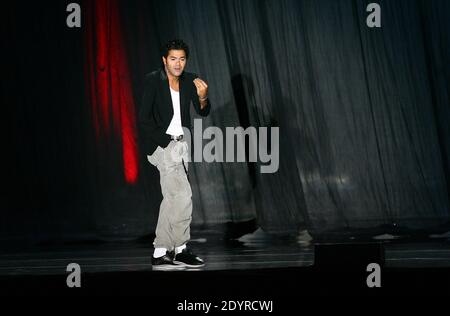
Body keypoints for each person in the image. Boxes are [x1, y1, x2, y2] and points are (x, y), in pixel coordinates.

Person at [138, 39, 211, 269]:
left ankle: (161, 251)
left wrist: (202, 96)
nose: (178, 64)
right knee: (182, 195)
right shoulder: (154, 80)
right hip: (163, 146)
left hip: (182, 144)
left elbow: (203, 111)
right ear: (164, 60)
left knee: (172, 198)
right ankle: (180, 249)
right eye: (173, 59)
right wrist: (164, 142)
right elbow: (144, 118)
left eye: (181, 59)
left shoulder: (190, 79)